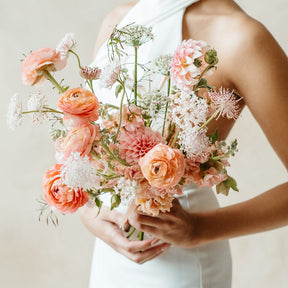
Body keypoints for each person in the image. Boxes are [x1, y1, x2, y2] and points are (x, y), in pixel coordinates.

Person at [81, 0, 288, 287]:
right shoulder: (118, 20)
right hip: (111, 256)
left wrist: (201, 229)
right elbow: (95, 145)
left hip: (180, 262)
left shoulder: (241, 37)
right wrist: (90, 212)